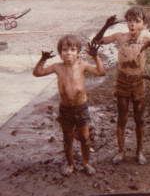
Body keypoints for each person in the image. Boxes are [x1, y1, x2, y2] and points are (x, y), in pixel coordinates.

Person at [92, 6, 150, 165]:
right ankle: (120, 152)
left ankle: (139, 152)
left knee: (139, 118)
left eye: (137, 21)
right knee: (122, 118)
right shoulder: (120, 36)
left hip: (138, 81)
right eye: (129, 21)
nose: (132, 24)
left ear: (144, 24)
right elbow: (96, 41)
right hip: (122, 81)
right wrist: (106, 25)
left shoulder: (147, 39)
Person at [33, 34, 105, 175]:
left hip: (81, 108)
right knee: (68, 137)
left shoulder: (82, 66)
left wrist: (95, 56)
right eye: (65, 50)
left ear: (78, 53)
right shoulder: (56, 67)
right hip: (65, 109)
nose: (69, 53)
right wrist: (43, 59)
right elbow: (37, 73)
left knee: (84, 137)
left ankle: (86, 163)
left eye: (72, 49)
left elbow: (101, 72)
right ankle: (70, 163)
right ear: (60, 53)